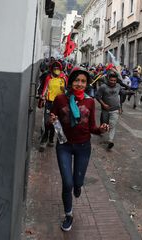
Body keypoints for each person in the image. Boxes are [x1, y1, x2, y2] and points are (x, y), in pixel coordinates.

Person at [49, 67, 109, 231]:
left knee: (77, 182)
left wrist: (101, 129)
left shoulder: (90, 101)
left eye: (83, 81)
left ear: (87, 84)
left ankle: (78, 186)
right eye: (76, 80)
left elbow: (92, 127)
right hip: (64, 146)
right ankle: (68, 215)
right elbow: (52, 119)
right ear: (71, 82)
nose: (80, 84)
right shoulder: (60, 99)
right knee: (67, 183)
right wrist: (52, 119)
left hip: (83, 147)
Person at [96, 72, 131, 149]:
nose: (113, 82)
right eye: (111, 80)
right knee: (104, 125)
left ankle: (110, 141)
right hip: (105, 110)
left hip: (115, 109)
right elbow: (97, 96)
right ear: (108, 79)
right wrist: (104, 104)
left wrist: (120, 107)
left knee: (113, 125)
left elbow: (121, 95)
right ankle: (100, 130)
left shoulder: (118, 86)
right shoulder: (103, 87)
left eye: (114, 80)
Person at [39, 61, 68, 151]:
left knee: (56, 123)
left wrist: (65, 91)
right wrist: (42, 96)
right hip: (49, 103)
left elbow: (68, 91)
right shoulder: (48, 78)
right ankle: (44, 140)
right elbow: (44, 89)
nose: (56, 70)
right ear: (52, 69)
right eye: (54, 68)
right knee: (47, 122)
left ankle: (52, 139)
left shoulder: (64, 78)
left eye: (58, 68)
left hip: (59, 104)